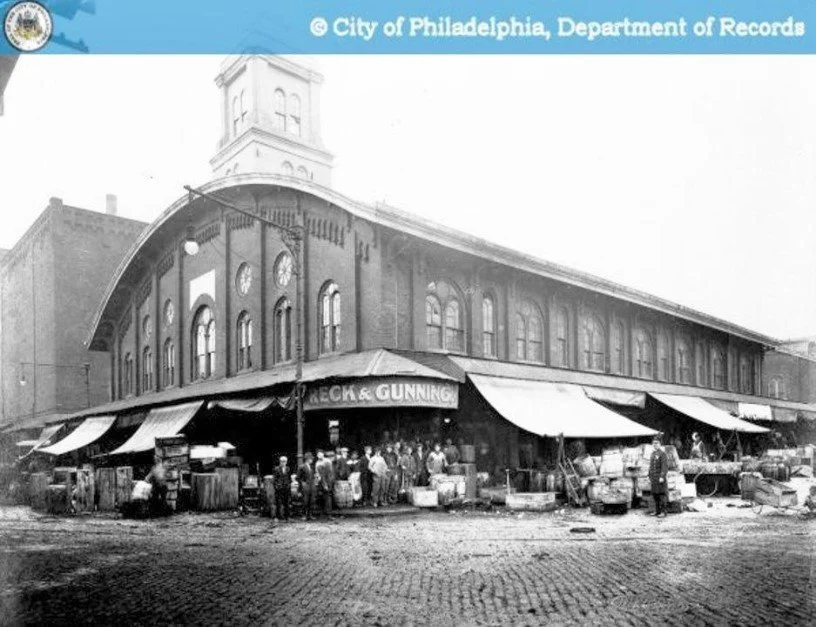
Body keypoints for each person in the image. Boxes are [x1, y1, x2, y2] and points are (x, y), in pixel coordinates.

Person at [648, 437, 669, 519]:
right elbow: (651, 467)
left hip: (660, 478)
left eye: (657, 443)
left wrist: (662, 476)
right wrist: (649, 476)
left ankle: (664, 512)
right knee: (655, 495)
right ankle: (657, 511)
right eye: (654, 443)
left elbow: (665, 466)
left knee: (662, 495)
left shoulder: (662, 454)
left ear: (660, 444)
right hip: (654, 478)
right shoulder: (652, 454)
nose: (655, 445)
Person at [315, 449, 335, 516]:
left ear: (323, 454)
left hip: (328, 480)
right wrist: (317, 479)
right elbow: (317, 472)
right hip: (320, 481)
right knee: (321, 497)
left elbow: (330, 472)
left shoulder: (327, 461)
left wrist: (327, 483)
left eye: (321, 454)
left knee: (328, 497)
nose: (319, 455)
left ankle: (329, 513)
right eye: (318, 454)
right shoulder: (317, 463)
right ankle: (322, 513)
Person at [297, 452, 316, 520]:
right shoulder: (302, 467)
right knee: (305, 501)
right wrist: (302, 484)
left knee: (311, 501)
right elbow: (298, 478)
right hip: (305, 486)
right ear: (308, 459)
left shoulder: (311, 467)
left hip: (311, 486)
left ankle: (310, 515)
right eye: (311, 459)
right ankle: (304, 515)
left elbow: (313, 476)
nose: (312, 460)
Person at [272, 455, 292, 521]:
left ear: (286, 462)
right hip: (279, 488)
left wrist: (289, 485)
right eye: (282, 461)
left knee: (286, 503)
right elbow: (274, 479)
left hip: (286, 488)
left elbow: (289, 478)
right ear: (280, 462)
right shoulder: (276, 469)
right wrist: (276, 486)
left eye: (285, 461)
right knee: (278, 503)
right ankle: (277, 517)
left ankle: (287, 517)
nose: (283, 463)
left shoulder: (288, 468)